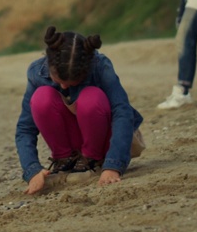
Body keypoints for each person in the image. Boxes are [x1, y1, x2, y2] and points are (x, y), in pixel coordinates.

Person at [15, 26, 144, 194]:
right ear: (49, 61)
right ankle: (65, 162)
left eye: (71, 83)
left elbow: (123, 114)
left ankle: (92, 162)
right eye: (59, 80)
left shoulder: (100, 66)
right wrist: (32, 170)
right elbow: (25, 128)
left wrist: (113, 165)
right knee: (41, 97)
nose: (63, 86)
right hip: (71, 142)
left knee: (92, 97)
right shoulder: (37, 72)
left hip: (102, 140)